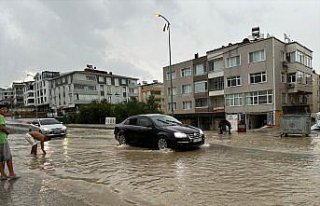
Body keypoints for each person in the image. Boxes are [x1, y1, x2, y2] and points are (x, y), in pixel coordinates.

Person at [0, 106, 16, 180]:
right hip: (2, 140)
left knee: (1, 159)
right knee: (8, 157)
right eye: (3, 109)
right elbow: (1, 127)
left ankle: (3, 175)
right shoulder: (1, 117)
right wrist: (7, 132)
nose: (5, 110)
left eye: (6, 109)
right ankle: (12, 174)